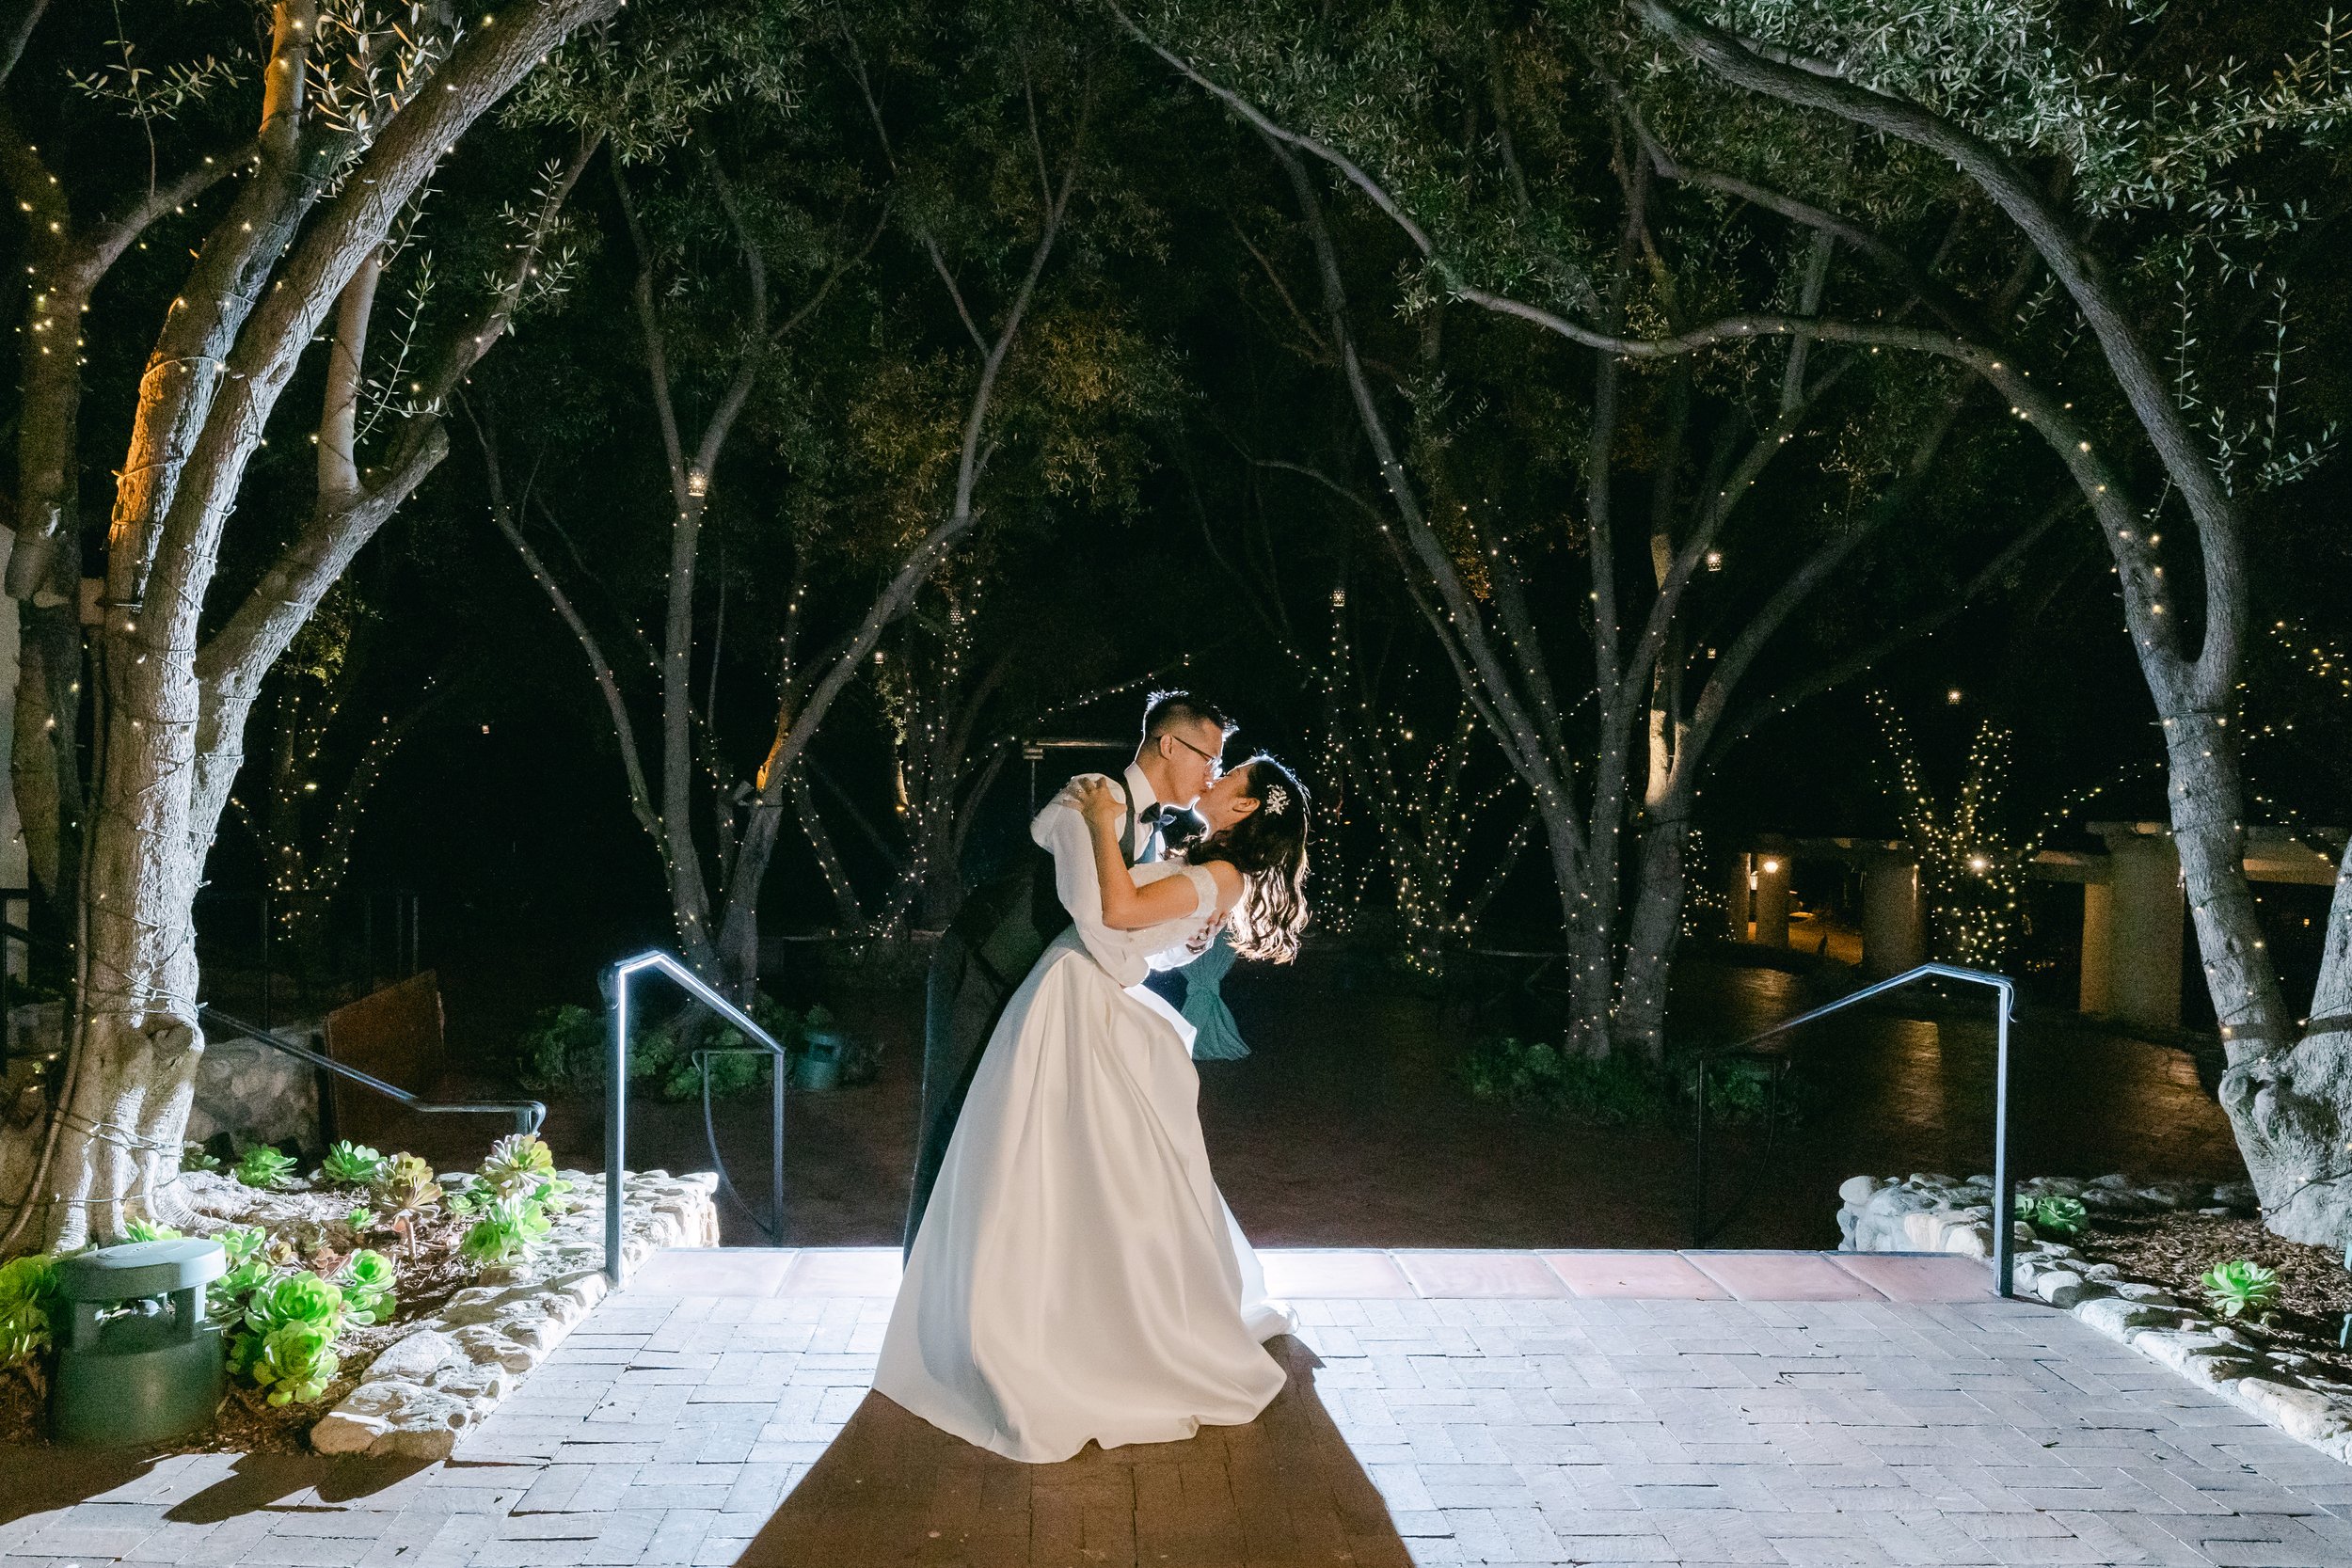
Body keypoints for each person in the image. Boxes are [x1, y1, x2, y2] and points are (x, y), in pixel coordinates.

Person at [872, 742, 1313, 1464]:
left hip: (1082, 1002)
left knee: (1063, 1168)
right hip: (1072, 993)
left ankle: (1063, 1331)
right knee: (1049, 1169)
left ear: (1242, 808)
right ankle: (1020, 1311)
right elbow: (1145, 927)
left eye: (1229, 776)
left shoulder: (1221, 873)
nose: (1216, 776)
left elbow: (1118, 905)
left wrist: (1106, 824)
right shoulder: (1209, 866)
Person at [901, 692, 1228, 1255]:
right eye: (1209, 758)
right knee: (953, 1126)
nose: (1211, 775)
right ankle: (924, 1285)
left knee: (1014, 1137)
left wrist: (1189, 932)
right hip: (982, 972)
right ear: (1169, 744)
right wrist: (1134, 972)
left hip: (1035, 992)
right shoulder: (1091, 796)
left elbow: (1131, 930)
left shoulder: (1150, 835)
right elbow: (1098, 917)